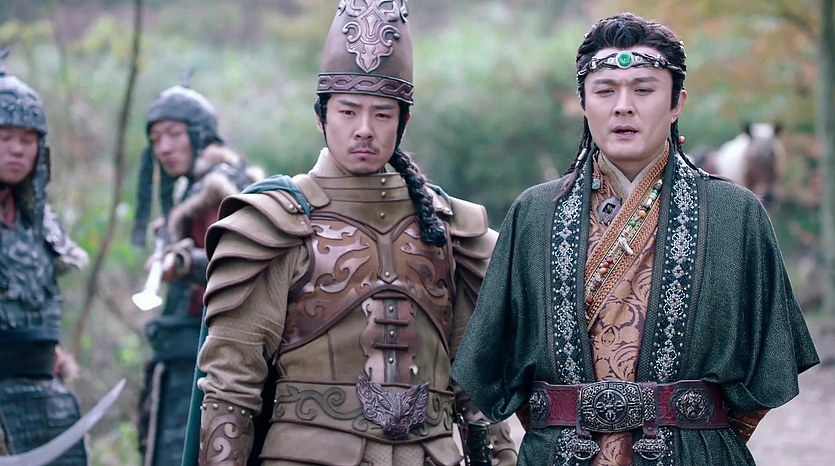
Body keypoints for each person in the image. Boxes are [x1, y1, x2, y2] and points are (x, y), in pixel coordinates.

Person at [450, 12, 820, 466]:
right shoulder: (533, 214)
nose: (623, 106)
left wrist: (697, 432)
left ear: (677, 103)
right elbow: (499, 361)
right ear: (583, 102)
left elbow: (768, 366)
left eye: (643, 90)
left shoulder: (735, 215)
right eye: (605, 90)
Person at [187, 1, 518, 465]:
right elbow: (231, 386)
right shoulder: (275, 222)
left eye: (382, 115)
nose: (364, 129)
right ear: (321, 117)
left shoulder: (449, 228)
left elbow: (478, 387)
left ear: (403, 122)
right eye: (348, 111)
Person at [131, 75, 263, 466]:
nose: (164, 148)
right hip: (182, 351)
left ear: (198, 133)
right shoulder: (190, 187)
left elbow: (243, 261)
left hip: (210, 358)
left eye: (174, 134)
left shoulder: (222, 188)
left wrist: (185, 261)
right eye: (156, 139)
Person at [0, 52, 90, 463]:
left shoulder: (40, 221)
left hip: (43, 393)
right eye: (5, 138)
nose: (17, 150)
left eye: (27, 139)